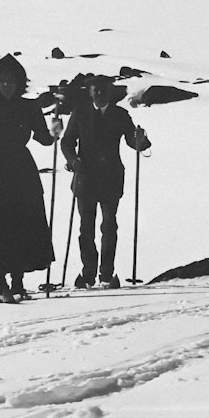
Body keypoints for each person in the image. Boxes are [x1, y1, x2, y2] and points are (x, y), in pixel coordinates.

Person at [0, 54, 60, 303]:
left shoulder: (29, 107)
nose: (7, 85)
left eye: (11, 80)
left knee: (23, 222)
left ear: (19, 82)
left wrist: (54, 133)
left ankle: (18, 279)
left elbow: (43, 137)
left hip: (21, 167)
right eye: (2, 81)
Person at [60, 74, 150, 289]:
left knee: (109, 226)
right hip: (85, 177)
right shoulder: (80, 112)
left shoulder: (121, 114)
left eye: (103, 89)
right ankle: (88, 273)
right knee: (86, 228)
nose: (99, 93)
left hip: (110, 176)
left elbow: (132, 140)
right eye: (95, 89)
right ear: (90, 92)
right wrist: (72, 160)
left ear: (109, 91)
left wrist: (141, 141)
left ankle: (106, 275)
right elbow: (67, 142)